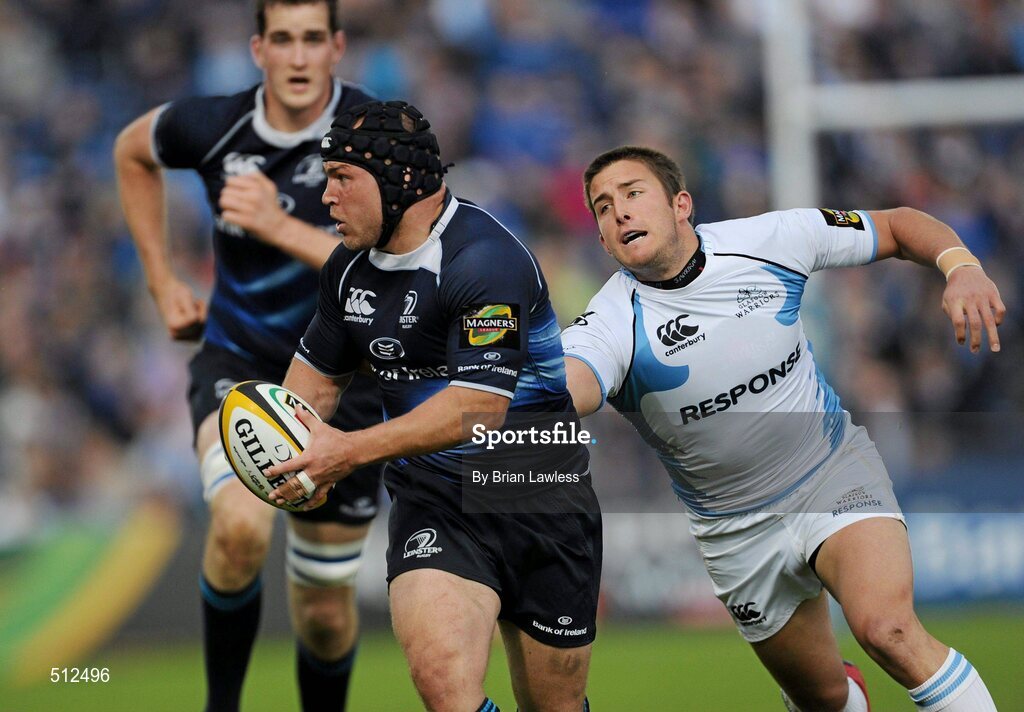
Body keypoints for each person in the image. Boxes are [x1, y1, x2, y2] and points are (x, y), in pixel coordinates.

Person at [561, 145, 1003, 712]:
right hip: (736, 533)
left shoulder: (769, 241)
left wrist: (960, 266)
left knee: (887, 630)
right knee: (821, 697)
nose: (618, 212)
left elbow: (896, 225)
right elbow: (573, 381)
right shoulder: (610, 320)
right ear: (601, 238)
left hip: (830, 473)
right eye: (602, 207)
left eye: (632, 193)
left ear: (681, 205)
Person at [265, 99, 602, 712]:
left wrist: (345, 451)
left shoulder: (486, 261)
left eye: (343, 178)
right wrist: (288, 449)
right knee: (444, 684)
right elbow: (312, 387)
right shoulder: (347, 270)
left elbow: (477, 408)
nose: (327, 197)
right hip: (437, 505)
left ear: (399, 181)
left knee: (553, 705)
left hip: (537, 493)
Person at [113, 2, 383, 710]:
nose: (298, 58)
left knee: (324, 613)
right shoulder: (211, 124)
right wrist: (162, 280)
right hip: (242, 364)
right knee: (237, 527)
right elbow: (131, 152)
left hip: (346, 387)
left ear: (338, 48)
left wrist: (277, 225)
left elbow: (399, 271)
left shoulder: (376, 131)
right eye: (284, 41)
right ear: (259, 49)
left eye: (313, 41)